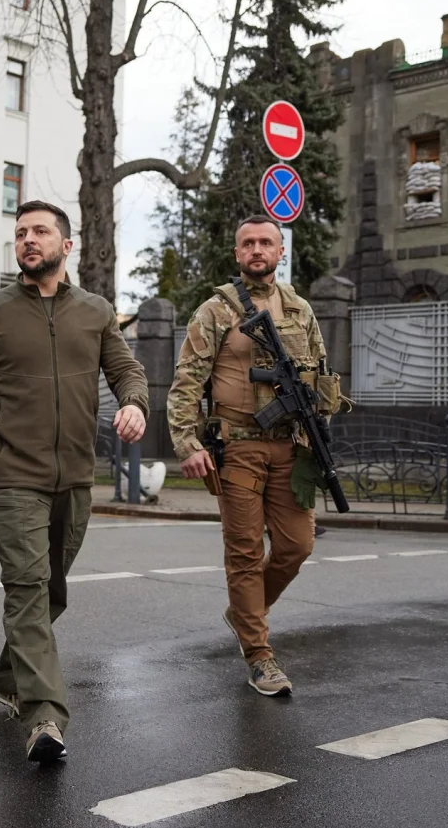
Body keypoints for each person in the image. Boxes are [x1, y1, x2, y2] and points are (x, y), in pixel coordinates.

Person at [0, 200, 149, 763]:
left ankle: (11, 674)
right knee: (28, 585)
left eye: (40, 232)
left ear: (66, 245)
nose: (29, 240)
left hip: (76, 476)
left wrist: (134, 403)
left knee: (51, 588)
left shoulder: (96, 311)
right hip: (13, 477)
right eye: (21, 233)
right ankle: (44, 716)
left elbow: (126, 370)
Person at [167, 215, 341, 697]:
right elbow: (186, 383)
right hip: (238, 447)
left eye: (267, 242)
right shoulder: (216, 311)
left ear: (280, 252)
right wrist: (188, 443)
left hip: (292, 445)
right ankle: (260, 655)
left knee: (297, 545)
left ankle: (245, 611)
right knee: (244, 554)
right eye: (248, 243)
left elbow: (323, 374)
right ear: (237, 253)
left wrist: (320, 428)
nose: (257, 250)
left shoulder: (300, 309)